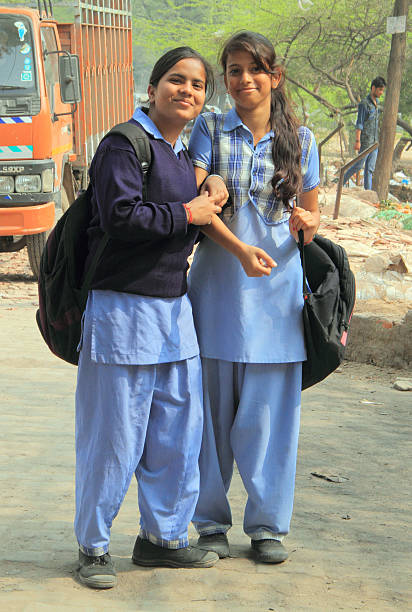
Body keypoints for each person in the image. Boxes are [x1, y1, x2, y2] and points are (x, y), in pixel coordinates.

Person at [74, 47, 229, 589]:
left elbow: (183, 222)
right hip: (123, 310)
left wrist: (205, 191)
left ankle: (163, 538)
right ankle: (94, 547)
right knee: (114, 435)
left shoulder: (182, 153)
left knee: (176, 431)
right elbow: (120, 216)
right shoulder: (124, 144)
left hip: (173, 311)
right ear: (153, 87)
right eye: (175, 80)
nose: (186, 91)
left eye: (197, 85)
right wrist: (188, 211)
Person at [186, 31, 320, 564]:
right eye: (234, 70)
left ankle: (268, 526)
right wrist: (238, 244)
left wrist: (309, 223)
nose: (244, 80)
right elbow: (196, 204)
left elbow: (308, 224)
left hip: (278, 307)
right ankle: (209, 524)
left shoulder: (301, 141)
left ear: (275, 76)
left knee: (270, 424)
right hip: (217, 299)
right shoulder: (210, 127)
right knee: (209, 425)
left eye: (255, 70)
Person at [343, 76, 386, 190]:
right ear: (373, 88)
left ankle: (368, 193)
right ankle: (340, 184)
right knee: (358, 166)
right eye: (380, 90)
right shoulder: (364, 104)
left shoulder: (377, 103)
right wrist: (357, 141)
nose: (381, 92)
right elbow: (359, 123)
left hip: (375, 142)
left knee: (370, 169)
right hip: (366, 142)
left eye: (382, 90)